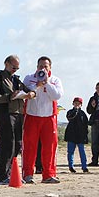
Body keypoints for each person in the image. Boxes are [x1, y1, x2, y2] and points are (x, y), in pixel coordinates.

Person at [0, 55, 36, 185]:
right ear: (6, 63)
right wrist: (9, 97)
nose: (15, 69)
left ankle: (12, 174)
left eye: (17, 68)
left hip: (19, 114)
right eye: (13, 67)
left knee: (18, 144)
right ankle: (3, 176)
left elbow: (29, 91)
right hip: (6, 113)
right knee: (8, 144)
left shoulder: (16, 80)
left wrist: (31, 93)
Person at [22, 56, 64, 184]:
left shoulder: (55, 80)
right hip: (31, 116)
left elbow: (57, 95)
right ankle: (28, 174)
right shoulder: (29, 78)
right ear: (37, 66)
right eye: (41, 66)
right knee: (29, 147)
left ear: (50, 67)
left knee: (50, 147)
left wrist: (47, 83)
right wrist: (38, 86)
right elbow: (25, 93)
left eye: (46, 66)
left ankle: (48, 175)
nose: (43, 69)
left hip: (49, 117)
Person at [64, 97, 89, 173]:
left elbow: (85, 124)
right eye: (75, 103)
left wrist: (85, 135)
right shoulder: (70, 112)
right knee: (70, 151)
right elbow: (69, 118)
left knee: (82, 151)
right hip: (71, 134)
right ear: (73, 104)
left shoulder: (83, 114)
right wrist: (75, 111)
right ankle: (71, 166)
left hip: (80, 135)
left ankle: (84, 167)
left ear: (81, 105)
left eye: (78, 103)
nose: (77, 105)